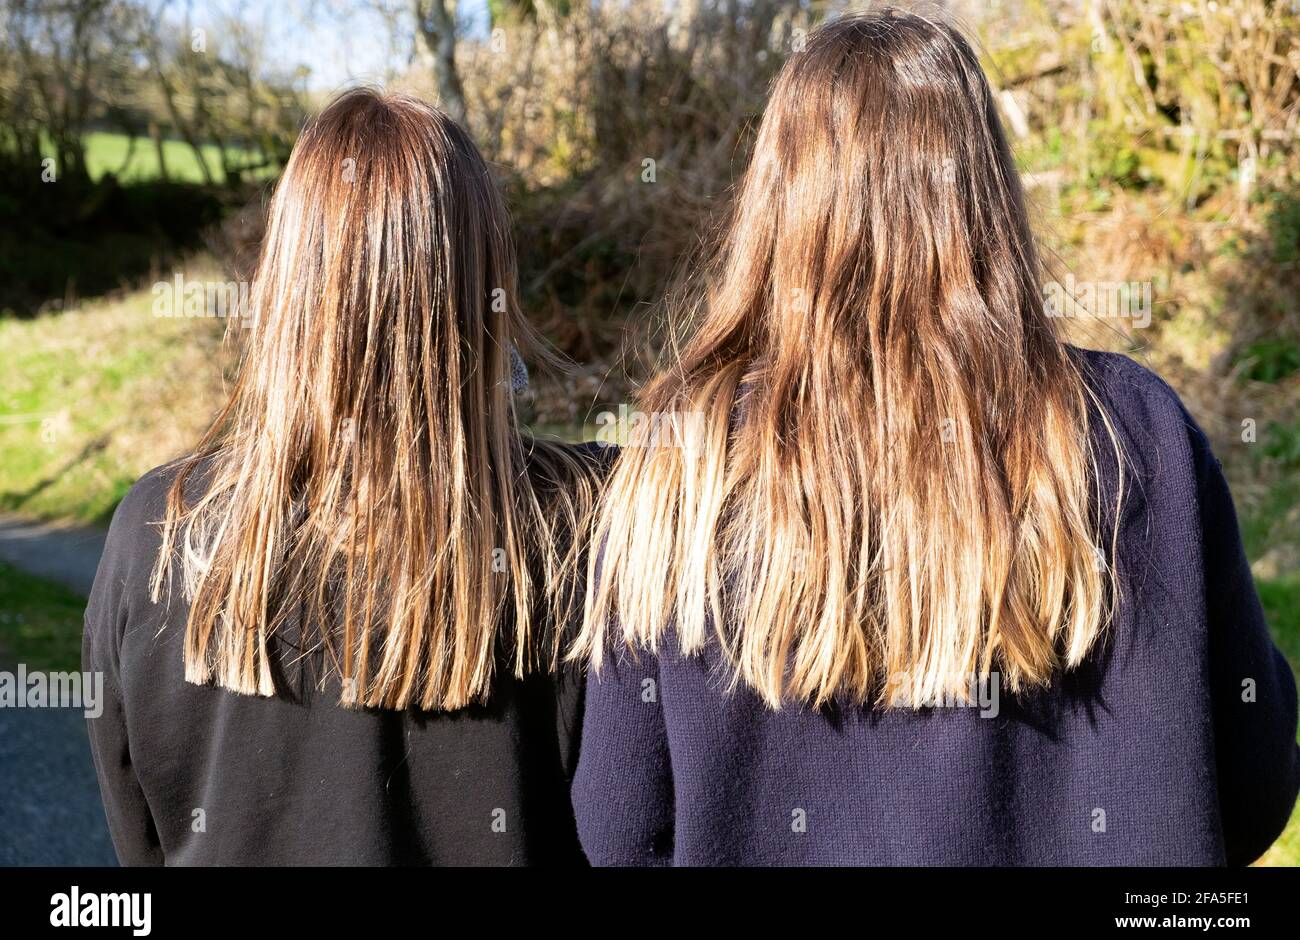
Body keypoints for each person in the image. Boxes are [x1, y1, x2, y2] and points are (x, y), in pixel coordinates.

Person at [570, 9, 1300, 866]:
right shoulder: (1135, 431)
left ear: (776, 197)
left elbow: (617, 830)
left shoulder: (680, 464)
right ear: (985, 186)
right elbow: (1251, 786)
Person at [84, 89, 602, 865]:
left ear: (286, 280)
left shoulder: (159, 531)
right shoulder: (583, 526)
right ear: (484, 277)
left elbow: (141, 843)